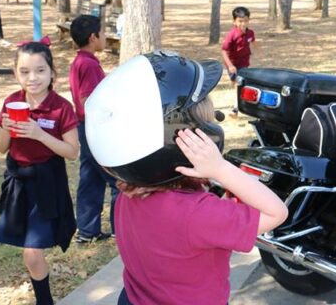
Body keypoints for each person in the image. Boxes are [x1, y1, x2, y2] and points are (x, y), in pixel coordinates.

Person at [82, 52, 288, 305]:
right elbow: (276, 213)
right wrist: (222, 169)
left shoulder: (128, 193)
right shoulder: (198, 215)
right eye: (206, 121)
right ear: (181, 139)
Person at [0, 40, 79, 305]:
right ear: (16, 73)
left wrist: (39, 134)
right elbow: (0, 148)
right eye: (25, 71)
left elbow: (72, 151)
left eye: (40, 71)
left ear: (52, 73)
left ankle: (45, 301)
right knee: (29, 250)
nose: (33, 78)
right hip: (18, 183)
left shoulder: (60, 107)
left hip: (47, 182)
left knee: (32, 252)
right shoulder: (12, 102)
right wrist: (7, 129)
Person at [69, 14, 119, 242]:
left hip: (85, 128)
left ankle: (88, 231)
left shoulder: (80, 61)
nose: (105, 37)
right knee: (118, 179)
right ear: (93, 37)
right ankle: (122, 228)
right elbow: (87, 99)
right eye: (102, 32)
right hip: (94, 130)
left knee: (90, 179)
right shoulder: (88, 64)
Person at [221, 6, 257, 118]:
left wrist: (258, 50)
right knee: (237, 85)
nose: (243, 24)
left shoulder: (250, 33)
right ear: (234, 21)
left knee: (239, 84)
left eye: (246, 21)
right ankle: (236, 107)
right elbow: (223, 51)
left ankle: (237, 108)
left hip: (244, 64)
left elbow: (252, 41)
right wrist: (230, 65)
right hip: (233, 65)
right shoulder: (232, 34)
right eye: (240, 21)